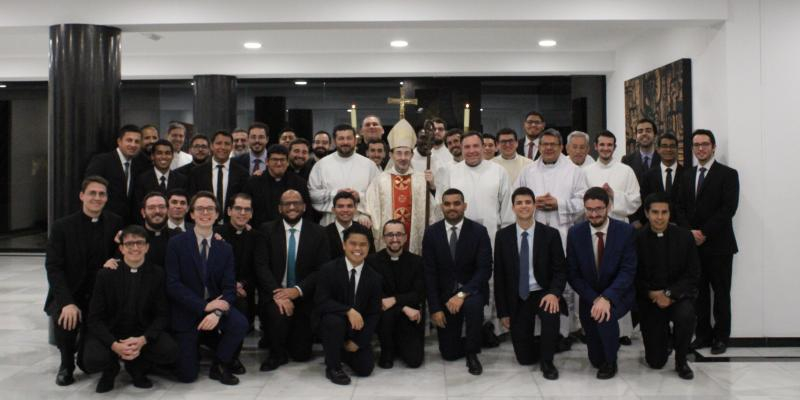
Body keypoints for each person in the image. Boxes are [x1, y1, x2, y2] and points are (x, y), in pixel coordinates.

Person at [45, 176, 125, 386]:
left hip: (100, 296)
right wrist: (67, 302)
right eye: (92, 193)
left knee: (94, 359)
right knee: (66, 317)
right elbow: (53, 267)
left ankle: (91, 351)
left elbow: (122, 253)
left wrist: (116, 255)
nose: (97, 198)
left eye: (101, 194)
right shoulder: (62, 227)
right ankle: (66, 365)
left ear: (107, 198)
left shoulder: (115, 222)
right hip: (72, 292)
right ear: (82, 196)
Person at [513, 128, 588, 345]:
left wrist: (559, 204)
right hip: (533, 234)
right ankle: (539, 331)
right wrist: (533, 203)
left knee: (562, 284)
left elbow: (584, 201)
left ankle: (565, 332)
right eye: (544, 144)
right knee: (537, 280)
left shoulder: (574, 171)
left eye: (553, 144)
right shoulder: (528, 171)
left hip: (563, 234)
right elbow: (517, 195)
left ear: (561, 146)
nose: (548, 148)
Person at [83, 225, 178, 393]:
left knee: (169, 351)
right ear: (121, 248)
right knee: (92, 359)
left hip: (141, 332)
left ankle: (137, 367)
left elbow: (162, 315)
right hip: (112, 332)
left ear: (147, 247)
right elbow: (94, 318)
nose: (135, 248)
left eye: (140, 243)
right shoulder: (106, 274)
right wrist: (114, 345)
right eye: (129, 244)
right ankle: (110, 369)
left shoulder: (157, 273)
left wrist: (143, 339)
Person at [165, 191, 248, 385]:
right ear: (191, 214)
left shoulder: (225, 248)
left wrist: (217, 312)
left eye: (210, 209)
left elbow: (229, 288)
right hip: (187, 309)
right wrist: (203, 307)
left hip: (214, 306)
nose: (205, 213)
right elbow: (173, 285)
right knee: (187, 376)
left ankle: (219, 365)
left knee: (239, 323)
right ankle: (196, 346)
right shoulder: (176, 244)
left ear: (217, 214)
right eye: (200, 209)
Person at [675, 129, 739, 355]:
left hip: (719, 245)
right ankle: (702, 335)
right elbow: (679, 208)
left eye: (705, 144)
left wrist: (703, 232)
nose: (700, 148)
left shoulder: (728, 174)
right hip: (692, 246)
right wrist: (690, 233)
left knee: (721, 293)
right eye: (696, 145)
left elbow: (727, 209)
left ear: (713, 147)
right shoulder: (686, 175)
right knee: (698, 293)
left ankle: (721, 337)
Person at [494, 187, 566, 380]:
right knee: (524, 359)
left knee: (551, 313)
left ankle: (548, 360)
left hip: (544, 292)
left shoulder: (550, 234)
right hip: (519, 295)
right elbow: (499, 276)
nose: (524, 206)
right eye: (519, 203)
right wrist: (503, 312)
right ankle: (547, 345)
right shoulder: (503, 237)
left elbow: (560, 270)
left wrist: (554, 293)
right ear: (513, 207)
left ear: (534, 206)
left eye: (528, 202)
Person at [566, 187, 636, 379]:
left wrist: (607, 297)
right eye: (589, 209)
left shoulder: (625, 231)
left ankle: (611, 362)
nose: (594, 214)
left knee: (605, 316)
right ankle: (607, 348)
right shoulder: (575, 233)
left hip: (619, 294)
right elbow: (573, 274)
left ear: (609, 207)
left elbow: (628, 271)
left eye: (599, 208)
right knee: (595, 359)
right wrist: (596, 298)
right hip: (590, 296)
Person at [256, 190, 330, 371]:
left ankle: (286, 338)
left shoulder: (318, 232)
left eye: (296, 203)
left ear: (304, 207)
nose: (291, 207)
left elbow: (322, 269)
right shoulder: (266, 230)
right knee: (277, 314)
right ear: (279, 208)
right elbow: (261, 266)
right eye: (286, 203)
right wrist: (280, 294)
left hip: (304, 297)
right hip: (275, 294)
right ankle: (275, 353)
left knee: (301, 354)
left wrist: (297, 290)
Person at [422, 188, 492, 375]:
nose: (452, 207)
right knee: (449, 353)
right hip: (445, 294)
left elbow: (484, 269)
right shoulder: (431, 233)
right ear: (442, 207)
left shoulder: (479, 231)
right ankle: (480, 335)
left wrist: (462, 294)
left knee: (472, 306)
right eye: (447, 204)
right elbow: (429, 273)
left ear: (464, 206)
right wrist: (435, 308)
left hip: (471, 291)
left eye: (456, 203)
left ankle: (472, 353)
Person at [636, 193, 699, 380]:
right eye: (655, 212)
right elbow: (632, 275)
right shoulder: (637, 239)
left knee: (686, 315)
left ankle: (681, 361)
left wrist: (670, 294)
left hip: (678, 297)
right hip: (650, 300)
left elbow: (693, 274)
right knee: (656, 363)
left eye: (664, 212)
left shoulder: (684, 237)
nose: (660, 217)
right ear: (647, 213)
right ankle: (667, 340)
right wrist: (650, 293)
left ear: (670, 214)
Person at [315, 224, 383, 385]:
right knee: (333, 320)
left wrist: (359, 341)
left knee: (365, 369)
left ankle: (339, 351)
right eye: (353, 243)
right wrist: (348, 310)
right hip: (331, 324)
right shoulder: (328, 269)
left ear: (369, 247)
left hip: (356, 330)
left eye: (363, 244)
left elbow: (374, 314)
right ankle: (333, 367)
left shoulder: (375, 278)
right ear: (344, 245)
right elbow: (321, 301)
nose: (358, 248)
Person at [365, 119, 440, 255]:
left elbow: (434, 213)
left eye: (407, 153)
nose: (403, 157)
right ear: (391, 155)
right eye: (399, 153)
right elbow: (369, 210)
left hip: (415, 246)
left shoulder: (421, 180)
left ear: (412, 154)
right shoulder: (380, 181)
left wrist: (433, 187)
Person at [368, 220, 426, 369]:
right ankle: (387, 351)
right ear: (383, 238)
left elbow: (419, 293)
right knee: (386, 311)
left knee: (415, 361)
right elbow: (375, 294)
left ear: (406, 237)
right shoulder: (372, 261)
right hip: (385, 317)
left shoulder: (417, 262)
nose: (394, 239)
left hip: (409, 317)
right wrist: (402, 307)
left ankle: (399, 345)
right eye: (390, 235)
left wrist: (395, 300)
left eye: (399, 234)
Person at [439, 131, 512, 248]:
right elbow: (442, 206)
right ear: (462, 149)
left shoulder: (499, 171)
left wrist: (506, 237)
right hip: (458, 236)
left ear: (483, 147)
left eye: (476, 146)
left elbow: (507, 208)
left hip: (492, 236)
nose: (471, 151)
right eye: (467, 147)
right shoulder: (450, 173)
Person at [308, 124, 381, 226]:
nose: (345, 142)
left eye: (349, 138)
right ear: (334, 141)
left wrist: (359, 197)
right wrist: (336, 194)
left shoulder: (369, 165)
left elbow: (379, 194)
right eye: (341, 138)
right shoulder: (321, 165)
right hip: (330, 222)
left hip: (360, 221)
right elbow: (312, 194)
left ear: (355, 141)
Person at [215, 193, 268, 330]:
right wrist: (232, 285)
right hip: (218, 292)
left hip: (245, 293)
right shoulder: (216, 233)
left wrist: (241, 284)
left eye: (247, 209)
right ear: (229, 211)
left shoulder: (257, 237)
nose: (242, 213)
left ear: (251, 214)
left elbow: (258, 268)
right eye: (238, 208)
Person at [85, 124, 147, 223]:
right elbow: (90, 190)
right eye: (129, 140)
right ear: (119, 142)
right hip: (104, 221)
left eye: (137, 142)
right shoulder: (102, 161)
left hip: (130, 224)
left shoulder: (141, 165)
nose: (133, 145)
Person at [243, 144, 314, 227]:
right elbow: (246, 209)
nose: (279, 163)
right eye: (275, 159)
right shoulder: (253, 183)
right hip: (260, 233)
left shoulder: (299, 183)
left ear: (287, 162)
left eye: (282, 160)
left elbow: (307, 213)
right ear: (267, 161)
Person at [187, 130, 249, 224]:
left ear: (232, 147)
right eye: (219, 143)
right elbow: (192, 202)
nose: (222, 147)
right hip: (204, 224)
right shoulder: (197, 172)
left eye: (227, 144)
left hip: (232, 227)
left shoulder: (242, 173)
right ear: (211, 146)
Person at [584, 130, 641, 222]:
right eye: (602, 144)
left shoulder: (626, 171)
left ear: (614, 147)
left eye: (609, 145)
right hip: (593, 223)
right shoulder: (586, 171)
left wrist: (614, 195)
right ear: (595, 146)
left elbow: (636, 201)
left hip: (620, 223)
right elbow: (580, 201)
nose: (606, 148)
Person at [636, 133, 684, 225]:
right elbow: (644, 202)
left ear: (677, 149)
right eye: (664, 146)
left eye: (672, 146)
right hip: (653, 227)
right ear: (658, 149)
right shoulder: (648, 176)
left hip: (680, 229)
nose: (668, 149)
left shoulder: (687, 174)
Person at [133, 139, 188, 212]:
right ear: (152, 156)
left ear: (172, 156)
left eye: (167, 153)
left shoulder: (182, 180)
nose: (164, 156)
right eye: (159, 153)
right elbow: (137, 209)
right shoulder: (141, 180)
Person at [326, 191, 376, 259]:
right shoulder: (324, 233)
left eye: (349, 206)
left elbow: (371, 258)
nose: (345, 210)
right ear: (333, 210)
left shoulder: (365, 231)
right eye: (340, 206)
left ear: (355, 209)